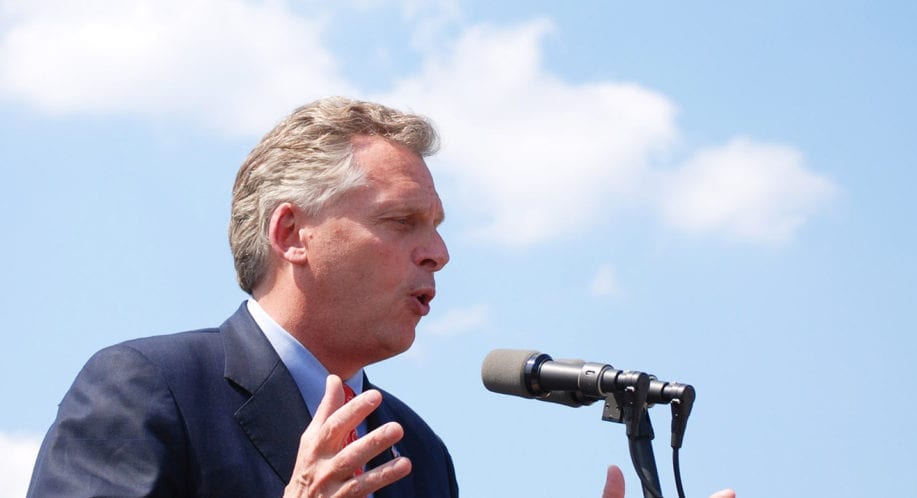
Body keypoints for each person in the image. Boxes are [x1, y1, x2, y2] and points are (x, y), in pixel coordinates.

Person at [28, 96, 735, 498]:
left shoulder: (419, 453)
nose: (439, 252)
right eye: (401, 222)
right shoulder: (149, 390)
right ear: (292, 232)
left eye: (437, 227)